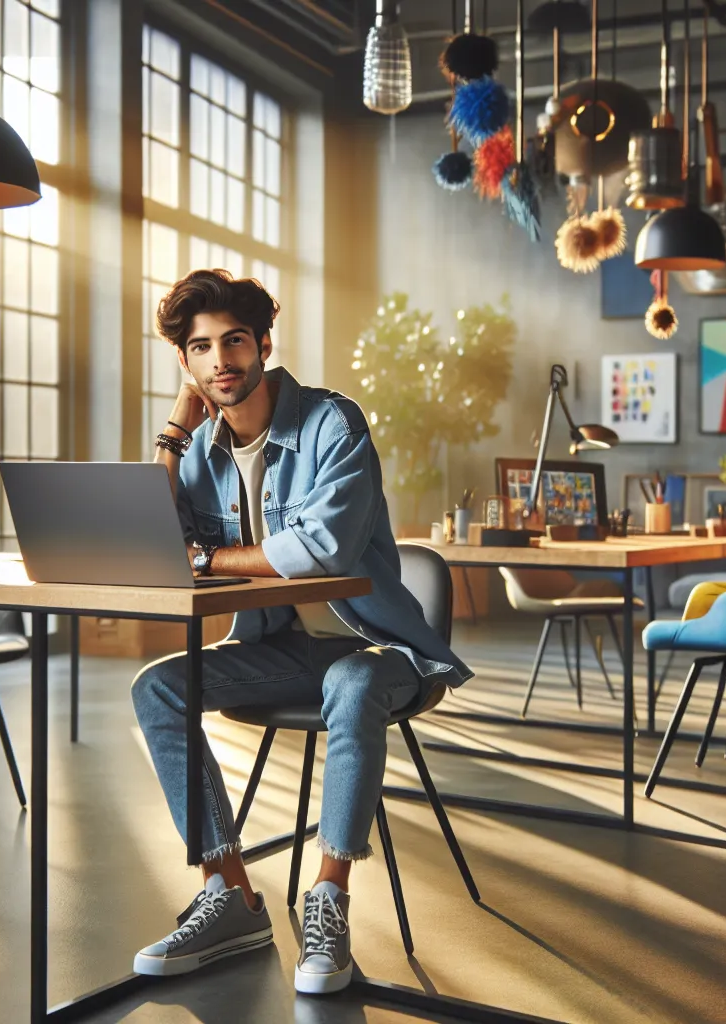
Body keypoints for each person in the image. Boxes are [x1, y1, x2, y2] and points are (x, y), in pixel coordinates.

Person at [130, 269, 471, 995]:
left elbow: (324, 549)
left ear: (263, 344)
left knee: (351, 680)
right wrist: (173, 433)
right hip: (283, 650)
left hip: (380, 647)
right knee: (157, 687)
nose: (220, 359)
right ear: (185, 362)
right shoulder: (201, 447)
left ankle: (329, 897)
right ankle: (230, 893)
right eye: (201, 348)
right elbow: (154, 538)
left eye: (234, 341)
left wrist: (207, 558)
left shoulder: (332, 424)